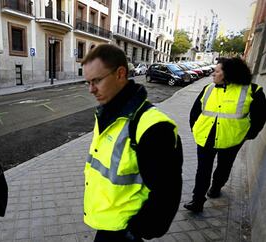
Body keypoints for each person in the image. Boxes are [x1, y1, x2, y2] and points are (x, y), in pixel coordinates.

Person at [82, 44, 183, 241]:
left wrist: (136, 230)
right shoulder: (106, 114)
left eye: (96, 81)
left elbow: (167, 195)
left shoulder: (153, 126)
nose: (91, 90)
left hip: (125, 230)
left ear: (120, 74)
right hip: (106, 223)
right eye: (87, 82)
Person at [184, 57, 266, 213]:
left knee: (224, 167)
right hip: (205, 136)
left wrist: (248, 135)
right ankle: (197, 201)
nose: (212, 74)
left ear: (228, 74)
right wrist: (194, 128)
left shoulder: (252, 91)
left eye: (216, 71)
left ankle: (216, 187)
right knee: (202, 170)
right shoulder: (208, 88)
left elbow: (260, 117)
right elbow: (195, 111)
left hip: (232, 139)